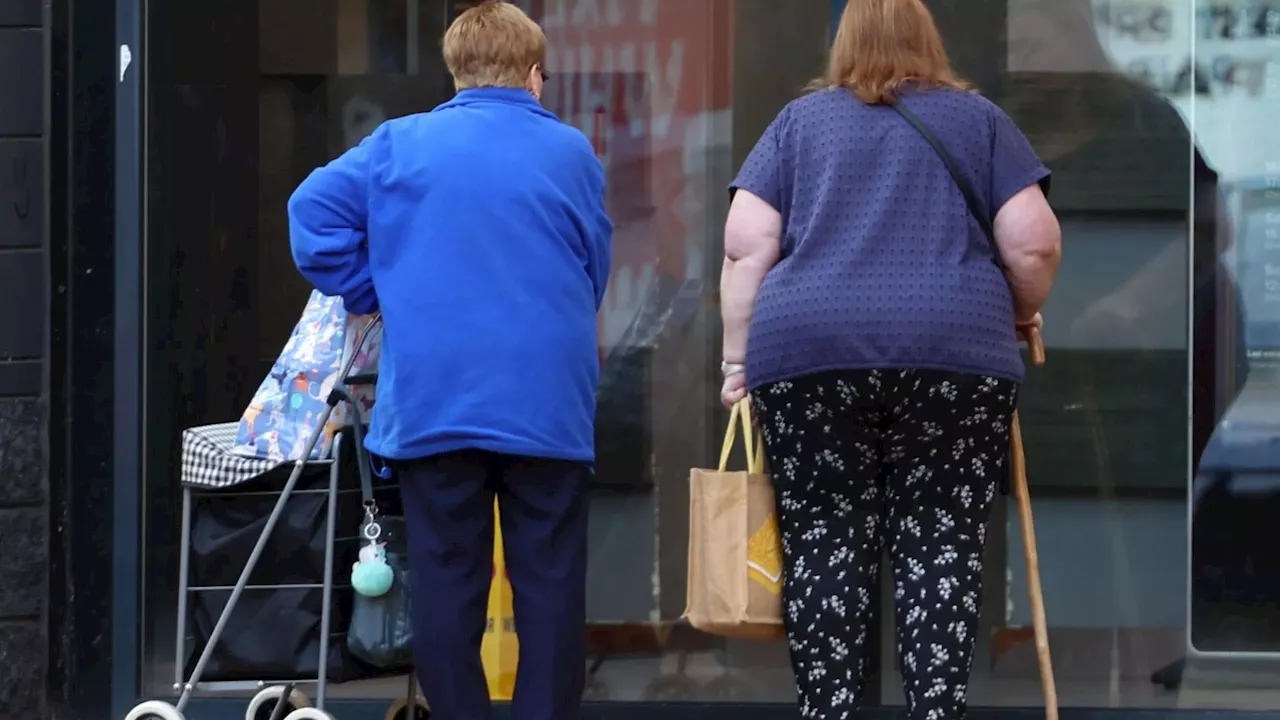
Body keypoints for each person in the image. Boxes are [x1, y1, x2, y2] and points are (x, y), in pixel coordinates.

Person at [717, 0, 1060, 717]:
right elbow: (1032, 242)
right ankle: (935, 709)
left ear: (844, 43)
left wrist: (733, 359)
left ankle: (830, 708)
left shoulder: (796, 124)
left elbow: (746, 245)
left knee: (822, 537)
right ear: (928, 41)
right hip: (955, 352)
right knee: (940, 539)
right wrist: (1023, 309)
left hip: (811, 352)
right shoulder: (981, 121)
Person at [287, 3, 613, 719]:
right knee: (551, 589)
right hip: (545, 403)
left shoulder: (398, 144)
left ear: (457, 70)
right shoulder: (569, 151)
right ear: (533, 75)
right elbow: (594, 267)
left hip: (436, 398)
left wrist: (380, 288)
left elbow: (310, 214)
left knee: (444, 585)